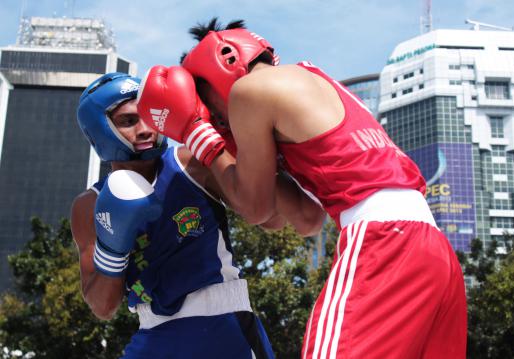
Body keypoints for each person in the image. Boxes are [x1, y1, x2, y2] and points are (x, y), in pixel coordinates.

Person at [136, 18, 467, 359]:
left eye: (212, 109)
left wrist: (196, 131)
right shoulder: (314, 81)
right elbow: (307, 218)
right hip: (433, 250)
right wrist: (241, 155)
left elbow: (254, 208)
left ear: (225, 63)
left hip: (384, 243)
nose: (220, 121)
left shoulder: (249, 92)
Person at [71, 72, 323, 358]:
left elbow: (272, 219)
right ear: (99, 130)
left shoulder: (192, 163)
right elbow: (102, 307)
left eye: (147, 116)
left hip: (222, 323)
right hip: (153, 332)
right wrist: (113, 249)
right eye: (129, 121)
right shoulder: (89, 206)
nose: (145, 130)